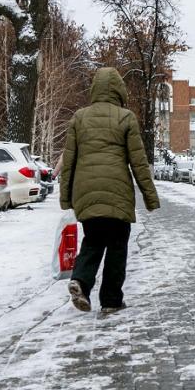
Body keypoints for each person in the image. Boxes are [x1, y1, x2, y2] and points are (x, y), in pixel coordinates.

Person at [59, 67, 160, 312]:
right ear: (119, 90)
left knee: (92, 240)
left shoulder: (79, 118)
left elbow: (68, 161)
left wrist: (66, 198)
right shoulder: (125, 117)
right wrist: (150, 197)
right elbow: (138, 162)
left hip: (87, 192)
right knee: (116, 245)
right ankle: (111, 301)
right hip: (117, 192)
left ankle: (81, 280)